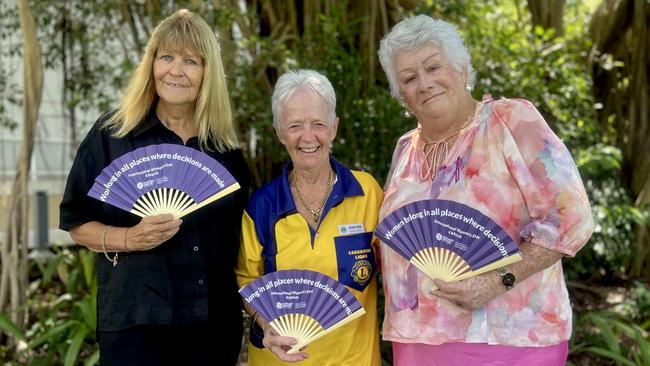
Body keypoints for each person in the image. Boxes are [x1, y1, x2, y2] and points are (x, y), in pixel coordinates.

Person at [376, 15, 594, 366]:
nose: (425, 83)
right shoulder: (406, 149)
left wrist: (498, 279)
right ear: (402, 95)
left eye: (434, 67)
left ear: (462, 69)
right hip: (416, 340)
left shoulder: (509, 121)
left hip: (510, 338)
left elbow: (572, 217)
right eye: (410, 78)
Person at [59, 9, 250, 366]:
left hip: (211, 329)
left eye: (191, 61)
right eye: (166, 57)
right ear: (151, 64)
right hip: (136, 326)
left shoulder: (225, 152)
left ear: (207, 74)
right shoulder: (112, 135)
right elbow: (76, 222)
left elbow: (239, 247)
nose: (176, 71)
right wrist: (129, 239)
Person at [235, 69, 382, 365]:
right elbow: (246, 280)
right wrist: (265, 323)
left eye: (318, 124)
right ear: (278, 131)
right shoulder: (262, 206)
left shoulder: (367, 193)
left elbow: (396, 268)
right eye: (295, 126)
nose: (308, 137)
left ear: (334, 127)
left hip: (355, 360)